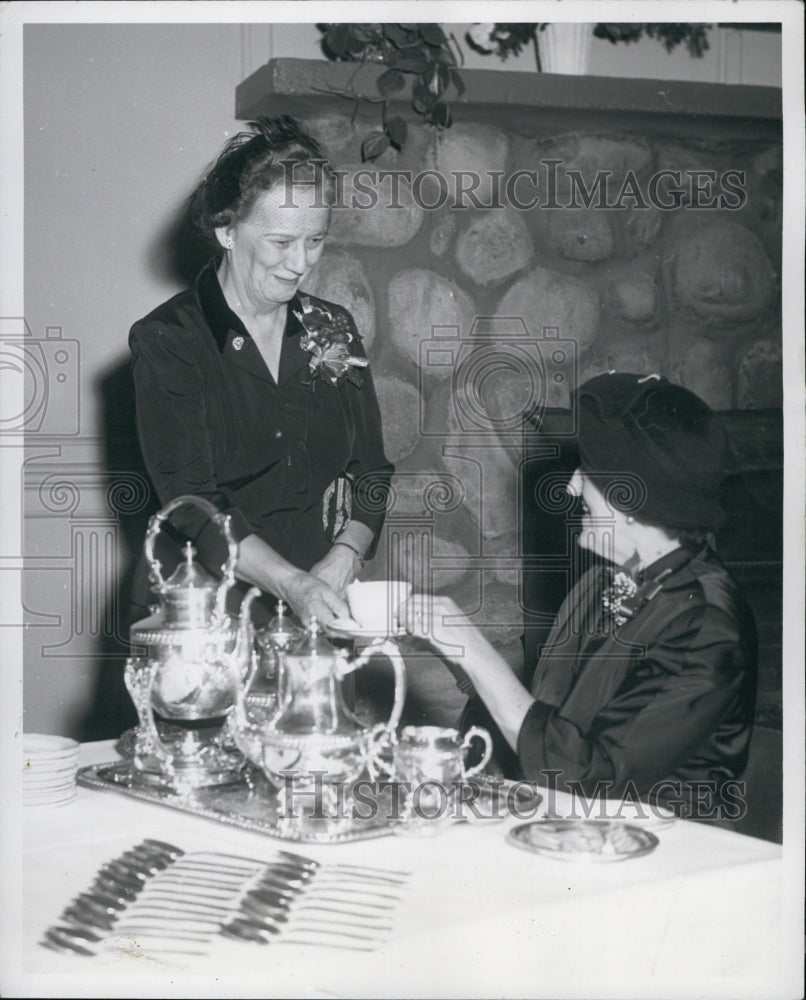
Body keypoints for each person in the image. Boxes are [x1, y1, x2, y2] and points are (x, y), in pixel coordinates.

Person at [406, 372, 757, 818]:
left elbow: (588, 777)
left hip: (665, 843)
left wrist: (473, 650)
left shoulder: (705, 622)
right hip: (572, 824)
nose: (572, 486)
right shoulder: (599, 584)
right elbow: (550, 720)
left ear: (631, 500)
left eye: (587, 472)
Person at [129, 116, 393, 627]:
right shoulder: (169, 339)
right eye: (281, 242)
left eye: (315, 240)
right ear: (227, 230)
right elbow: (192, 505)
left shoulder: (334, 327)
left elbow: (373, 473)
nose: (301, 263)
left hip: (315, 594)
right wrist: (292, 584)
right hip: (200, 606)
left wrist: (346, 554)